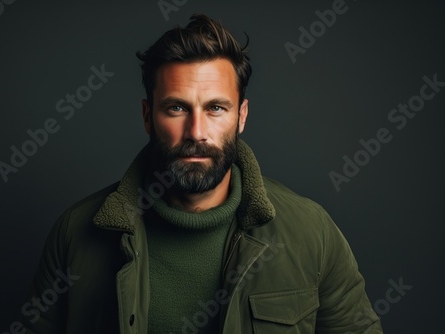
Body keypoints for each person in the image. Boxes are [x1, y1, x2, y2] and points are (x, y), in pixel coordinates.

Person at [20, 13, 383, 334]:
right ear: (148, 116)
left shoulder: (311, 232)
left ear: (241, 116)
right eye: (177, 108)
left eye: (216, 109)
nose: (196, 131)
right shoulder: (77, 233)